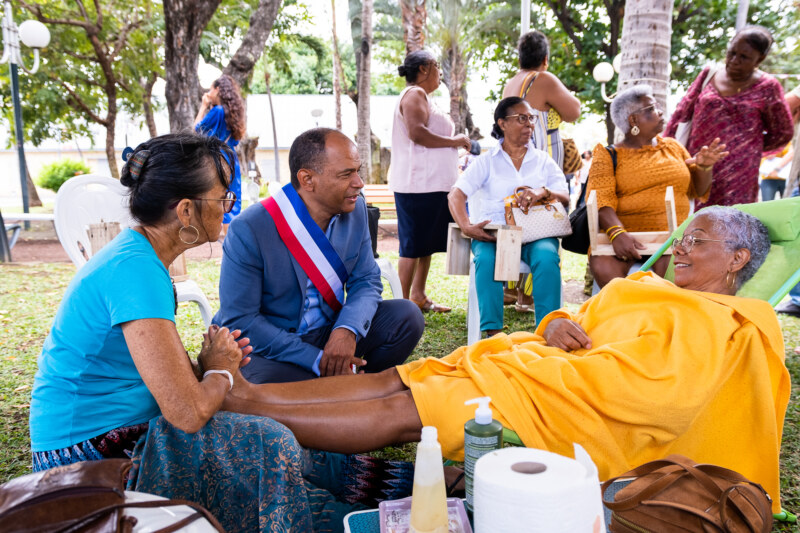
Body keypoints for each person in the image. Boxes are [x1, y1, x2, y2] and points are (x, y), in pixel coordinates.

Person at [223, 206, 789, 515]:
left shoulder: (730, 322)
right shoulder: (640, 286)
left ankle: (245, 406)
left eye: (700, 242)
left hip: (576, 402)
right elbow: (581, 322)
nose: (682, 248)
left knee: (413, 409)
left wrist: (558, 369)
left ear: (738, 259)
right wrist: (555, 323)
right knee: (405, 376)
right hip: (537, 366)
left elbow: (661, 398)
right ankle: (249, 398)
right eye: (684, 238)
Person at [28, 133, 377, 532]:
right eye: (222, 198)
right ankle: (337, 513)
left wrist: (210, 369)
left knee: (277, 441)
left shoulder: (140, 259)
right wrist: (219, 370)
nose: (229, 207)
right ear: (186, 211)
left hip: (121, 432)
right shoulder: (136, 271)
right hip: (88, 458)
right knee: (269, 443)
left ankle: (369, 492)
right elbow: (189, 413)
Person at [214, 128, 424, 384]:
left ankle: (353, 384)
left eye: (357, 171)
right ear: (307, 179)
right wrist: (315, 359)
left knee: (407, 317)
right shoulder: (250, 227)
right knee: (262, 383)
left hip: (331, 330)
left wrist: (347, 331)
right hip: (274, 345)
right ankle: (340, 385)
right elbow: (241, 319)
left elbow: (366, 280)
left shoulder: (356, 207)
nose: (359, 182)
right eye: (347, 174)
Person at [447, 97, 569, 336]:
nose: (529, 125)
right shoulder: (486, 162)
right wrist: (466, 226)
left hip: (536, 235)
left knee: (546, 257)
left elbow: (564, 196)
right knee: (486, 260)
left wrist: (543, 192)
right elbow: (456, 195)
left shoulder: (542, 160)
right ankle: (493, 335)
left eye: (531, 119)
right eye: (522, 119)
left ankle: (548, 330)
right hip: (494, 235)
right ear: (502, 123)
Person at [587, 85, 728, 288]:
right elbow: (601, 198)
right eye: (652, 108)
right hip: (620, 237)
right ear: (633, 120)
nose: (660, 111)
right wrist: (617, 233)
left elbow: (697, 190)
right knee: (610, 279)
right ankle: (624, 318)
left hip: (671, 238)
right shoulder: (608, 154)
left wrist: (705, 167)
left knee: (674, 282)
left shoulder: (673, 147)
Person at [665, 25, 793, 207]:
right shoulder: (708, 75)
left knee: (731, 224)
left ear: (760, 59)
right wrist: (669, 152)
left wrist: (748, 148)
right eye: (731, 53)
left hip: (739, 175)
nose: (734, 60)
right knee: (693, 221)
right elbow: (681, 114)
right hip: (697, 163)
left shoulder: (768, 87)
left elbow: (783, 132)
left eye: (744, 57)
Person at [389, 49, 472, 312]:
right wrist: (455, 141)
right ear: (424, 69)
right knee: (412, 245)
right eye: (437, 66)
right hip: (417, 185)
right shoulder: (414, 94)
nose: (440, 72)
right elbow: (417, 133)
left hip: (432, 185)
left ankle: (419, 295)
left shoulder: (424, 97)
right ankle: (402, 304)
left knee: (425, 245)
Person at [502, 30, 581, 169]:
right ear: (545, 59)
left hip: (516, 162)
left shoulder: (510, 85)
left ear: (520, 60)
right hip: (542, 167)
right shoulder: (543, 79)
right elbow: (574, 112)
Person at [194, 74, 246, 236]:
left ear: (217, 89)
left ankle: (225, 245)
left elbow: (196, 130)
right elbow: (235, 141)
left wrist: (203, 106)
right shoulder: (233, 114)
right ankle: (234, 246)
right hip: (231, 160)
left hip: (216, 160)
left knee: (217, 200)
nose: (209, 92)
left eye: (211, 88)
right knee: (231, 203)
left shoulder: (217, 111)